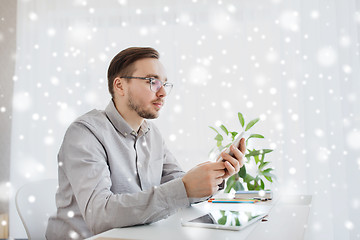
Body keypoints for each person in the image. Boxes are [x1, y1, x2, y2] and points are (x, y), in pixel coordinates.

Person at [46, 47, 246, 239]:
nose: (163, 93)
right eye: (152, 81)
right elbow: (100, 216)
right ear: (120, 86)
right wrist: (184, 188)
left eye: (164, 84)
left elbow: (179, 185)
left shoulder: (152, 134)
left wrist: (215, 174)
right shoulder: (85, 133)